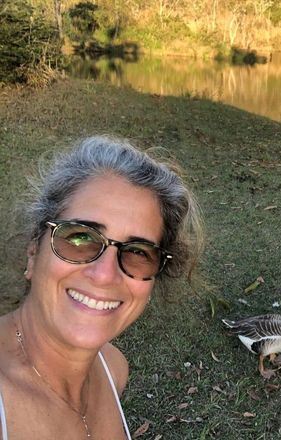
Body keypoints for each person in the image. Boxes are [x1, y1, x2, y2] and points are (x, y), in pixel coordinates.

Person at [0, 136, 203, 439]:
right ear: (34, 251)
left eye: (137, 252)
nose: (105, 275)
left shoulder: (113, 369)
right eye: (80, 237)